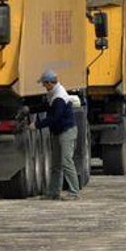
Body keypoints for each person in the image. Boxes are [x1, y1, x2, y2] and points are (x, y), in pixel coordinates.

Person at [35, 69, 80, 200]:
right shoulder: (53, 94)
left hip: (66, 131)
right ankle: (53, 192)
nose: (44, 86)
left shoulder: (59, 97)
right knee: (56, 164)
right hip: (58, 131)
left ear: (50, 83)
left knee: (66, 161)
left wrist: (37, 125)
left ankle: (74, 192)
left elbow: (55, 117)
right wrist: (29, 109)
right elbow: (46, 107)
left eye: (44, 84)